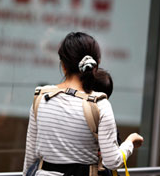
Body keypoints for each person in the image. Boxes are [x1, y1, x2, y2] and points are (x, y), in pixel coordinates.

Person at [23, 32, 143, 176]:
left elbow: (30, 157)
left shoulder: (41, 98)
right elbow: (112, 161)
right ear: (95, 65)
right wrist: (130, 141)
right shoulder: (100, 104)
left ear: (63, 65)